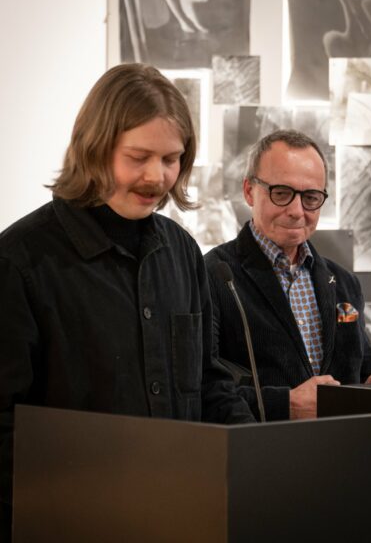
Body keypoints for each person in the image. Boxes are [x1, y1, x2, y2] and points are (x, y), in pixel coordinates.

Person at [0, 63, 255, 540]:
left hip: (176, 518)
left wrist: (256, 456)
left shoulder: (182, 251)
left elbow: (208, 382)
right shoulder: (19, 261)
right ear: (94, 148)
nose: (157, 177)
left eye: (172, 159)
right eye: (138, 157)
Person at [205, 129, 371, 422]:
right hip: (261, 448)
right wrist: (285, 404)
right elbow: (202, 389)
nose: (297, 211)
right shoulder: (212, 275)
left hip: (343, 447)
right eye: (281, 193)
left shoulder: (344, 283)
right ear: (249, 191)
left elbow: (363, 365)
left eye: (311, 197)